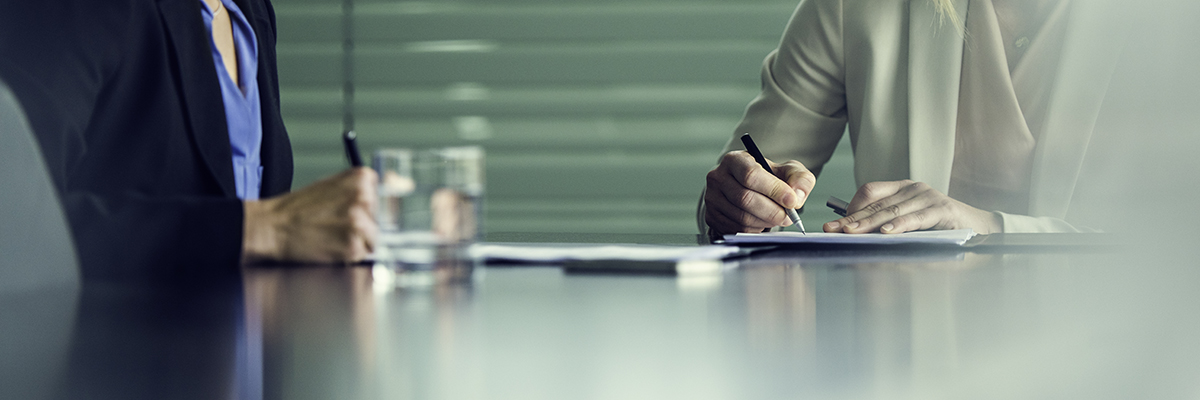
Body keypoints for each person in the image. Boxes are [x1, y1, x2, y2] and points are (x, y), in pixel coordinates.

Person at [0, 0, 375, 279]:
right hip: (103, 357)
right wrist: (260, 229)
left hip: (235, 356)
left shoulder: (251, 11)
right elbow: (13, 224)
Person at [700, 0, 1133, 238]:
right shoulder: (850, 8)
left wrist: (987, 227)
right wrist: (741, 200)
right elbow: (735, 189)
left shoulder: (1161, 22)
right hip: (903, 342)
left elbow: (1165, 250)